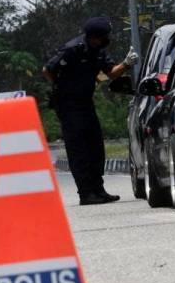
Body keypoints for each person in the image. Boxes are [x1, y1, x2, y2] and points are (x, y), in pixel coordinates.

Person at [43, 17, 139, 206]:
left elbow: (111, 73)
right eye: (101, 37)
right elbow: (47, 70)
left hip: (86, 103)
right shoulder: (72, 49)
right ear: (93, 36)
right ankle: (86, 193)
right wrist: (63, 86)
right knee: (78, 150)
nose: (103, 40)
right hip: (68, 105)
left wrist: (126, 64)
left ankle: (98, 190)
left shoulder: (98, 51)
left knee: (95, 147)